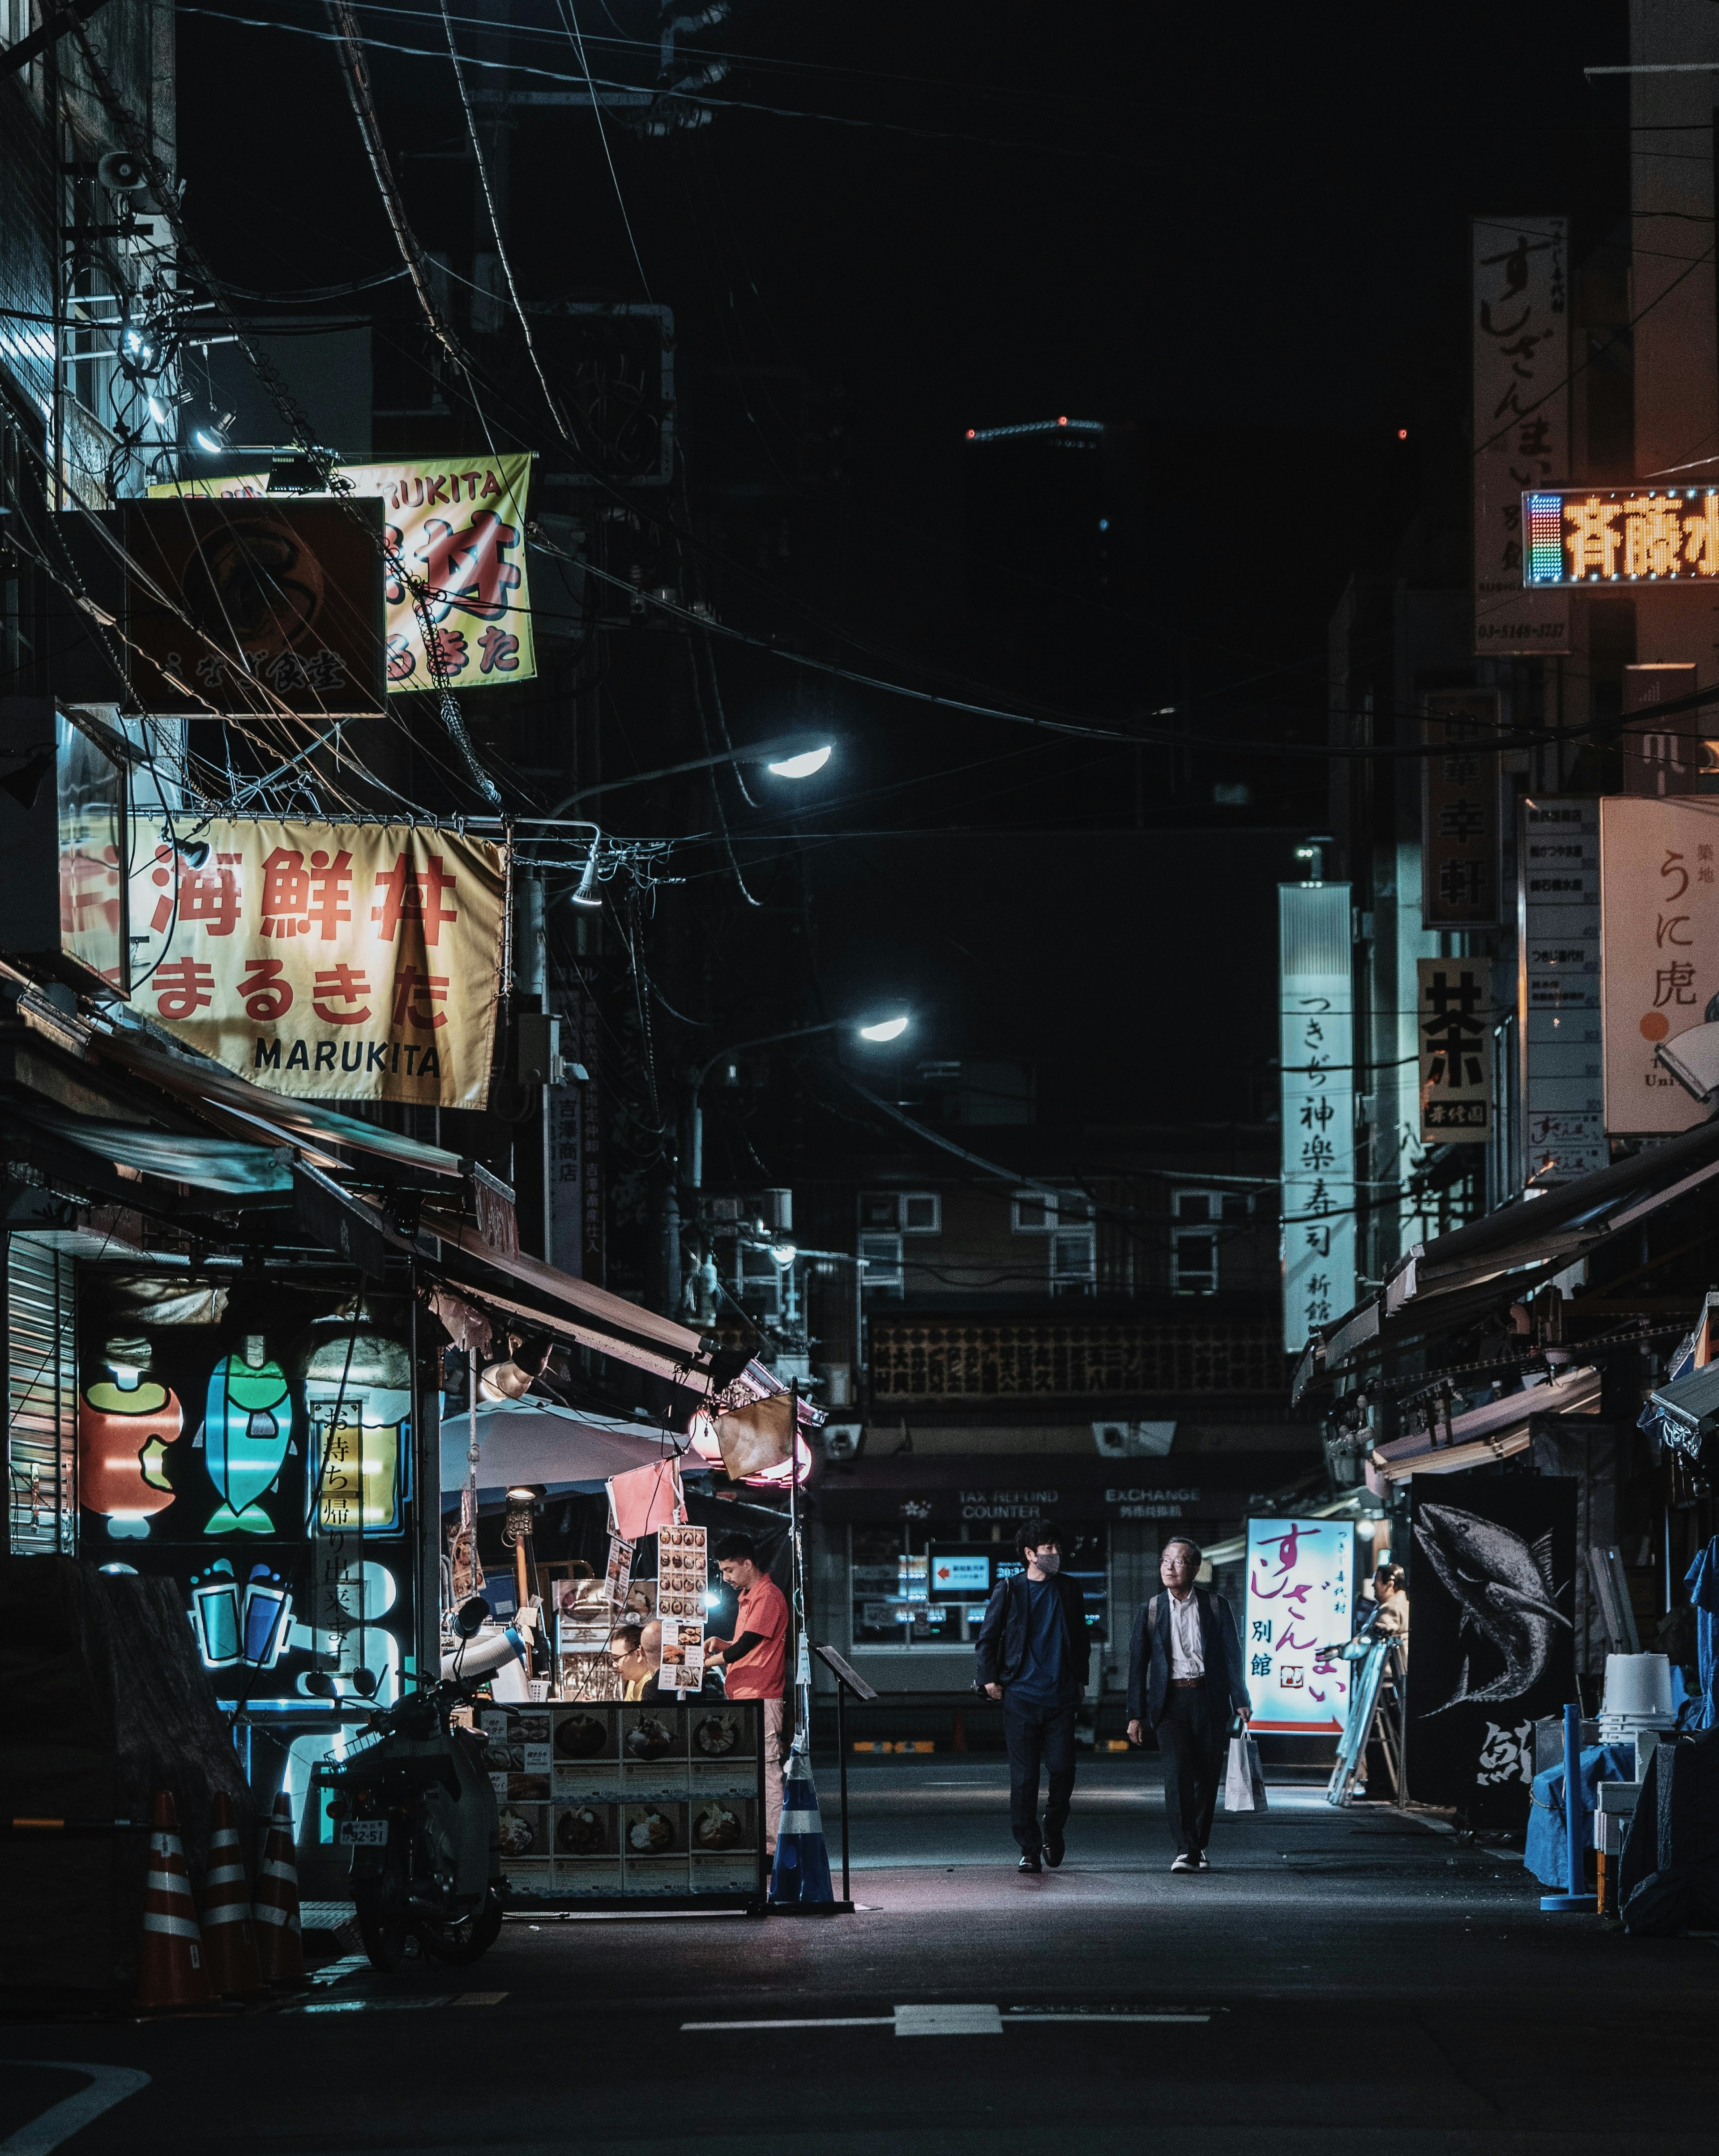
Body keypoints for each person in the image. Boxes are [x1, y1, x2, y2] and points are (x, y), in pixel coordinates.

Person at [974, 1518, 1092, 1874]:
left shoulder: (1070, 1589)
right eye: (1049, 1549)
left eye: (1058, 1548)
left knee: (1063, 1769)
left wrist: (1081, 1679)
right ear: (1030, 1554)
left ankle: (1052, 1830)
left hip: (1060, 1696)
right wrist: (989, 1679)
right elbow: (988, 1638)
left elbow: (1081, 1638)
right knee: (1024, 1777)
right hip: (1021, 1695)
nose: (1056, 1554)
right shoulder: (1009, 1589)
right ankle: (1029, 1846)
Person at [1126, 1535, 1249, 1873]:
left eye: (1178, 1561)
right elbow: (1138, 1665)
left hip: (1209, 1699)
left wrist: (1240, 1699)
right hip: (1170, 1703)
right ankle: (1186, 1848)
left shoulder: (1215, 1606)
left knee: (1206, 1777)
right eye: (1165, 1560)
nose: (1169, 1566)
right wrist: (1135, 1714)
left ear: (1195, 1568)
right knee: (1177, 1773)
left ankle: (1197, 1845)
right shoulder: (1151, 1609)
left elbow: (1231, 1656)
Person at [708, 1533, 789, 1856]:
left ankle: (773, 1848)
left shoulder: (768, 1596)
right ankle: (759, 1840)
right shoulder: (749, 1597)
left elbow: (747, 1646)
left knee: (768, 1771)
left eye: (729, 1570)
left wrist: (707, 1662)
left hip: (762, 1695)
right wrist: (720, 1643)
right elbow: (742, 1647)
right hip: (745, 1694)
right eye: (723, 1572)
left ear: (747, 1563)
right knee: (753, 1770)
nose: (726, 1578)